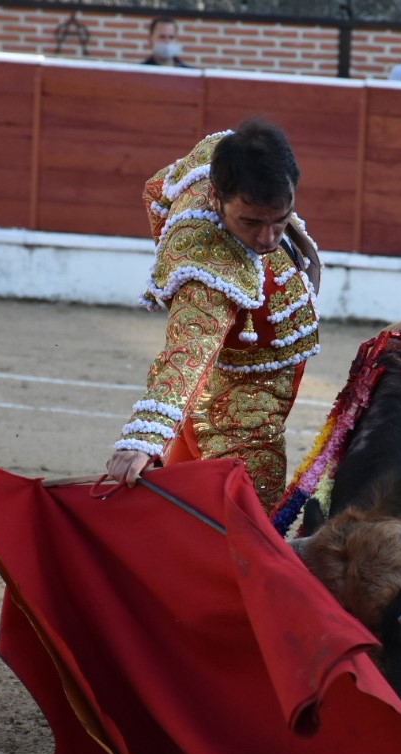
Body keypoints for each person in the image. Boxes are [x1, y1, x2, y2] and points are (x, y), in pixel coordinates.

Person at [106, 117, 321, 510]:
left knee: (175, 507)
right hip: (238, 403)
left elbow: (157, 188)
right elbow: (189, 351)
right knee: (248, 517)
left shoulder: (223, 153)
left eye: (280, 219)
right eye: (251, 222)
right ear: (218, 197)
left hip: (228, 384)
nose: (268, 238)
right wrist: (144, 439)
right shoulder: (207, 265)